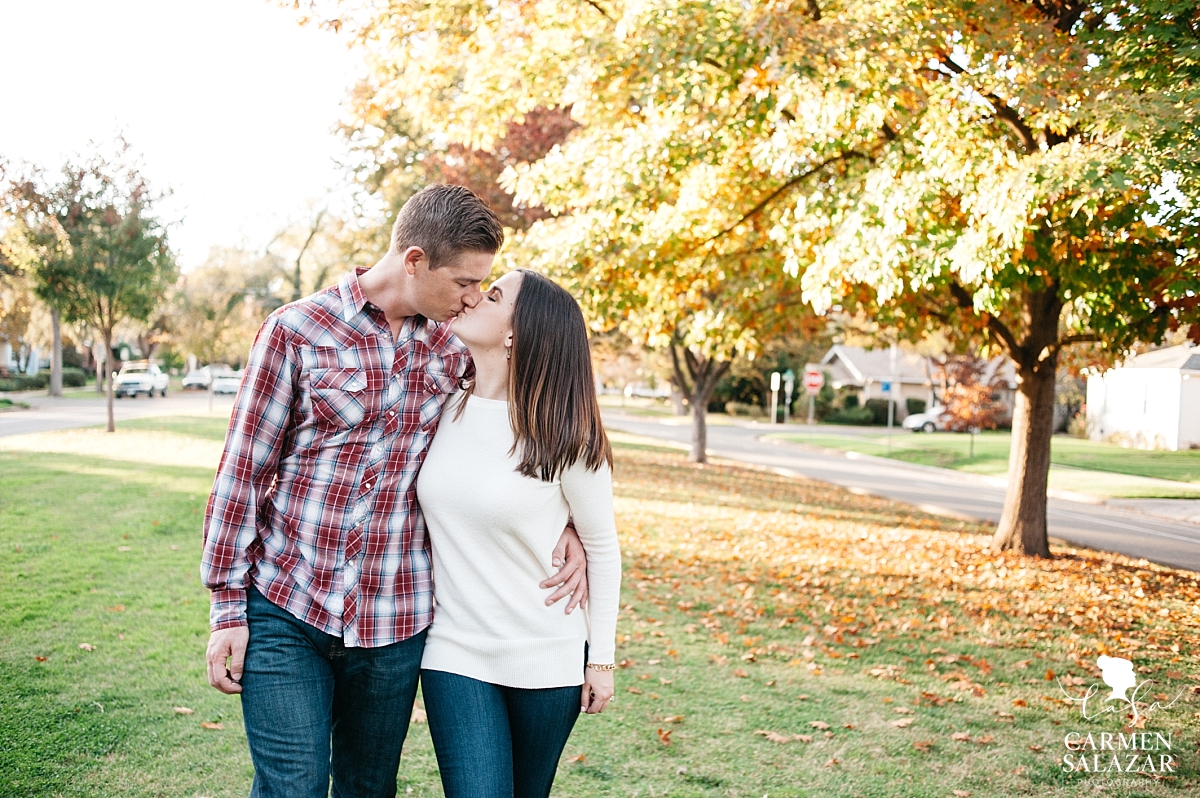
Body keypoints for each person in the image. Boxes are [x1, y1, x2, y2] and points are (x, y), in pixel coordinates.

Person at [200, 185, 590, 798]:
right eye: (464, 281)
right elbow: (242, 471)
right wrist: (228, 606)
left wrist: (564, 520)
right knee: (292, 786)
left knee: (367, 786)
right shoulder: (295, 331)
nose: (472, 298)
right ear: (414, 260)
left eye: (481, 286)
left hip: (395, 622)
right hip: (287, 606)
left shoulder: (456, 347)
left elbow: (536, 404)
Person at [417, 268, 621, 798]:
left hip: (546, 656)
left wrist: (600, 659)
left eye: (493, 296)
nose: (472, 299)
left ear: (515, 333)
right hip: (453, 649)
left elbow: (602, 547)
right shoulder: (439, 401)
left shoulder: (564, 434)